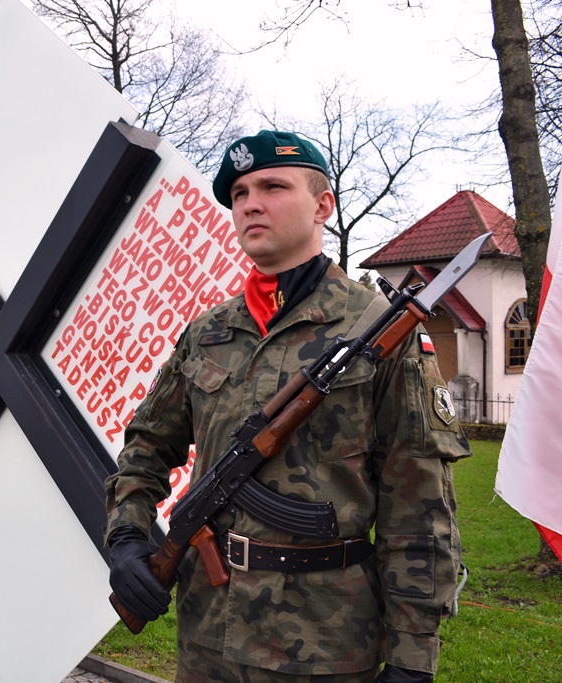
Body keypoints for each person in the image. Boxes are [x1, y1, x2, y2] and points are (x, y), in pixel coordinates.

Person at [104, 130, 469, 683]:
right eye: (239, 193)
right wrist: (129, 537)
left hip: (324, 643)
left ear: (324, 204)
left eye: (272, 186)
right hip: (208, 636)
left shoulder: (377, 330)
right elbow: (148, 445)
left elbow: (419, 506)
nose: (250, 202)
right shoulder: (208, 333)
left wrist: (414, 657)